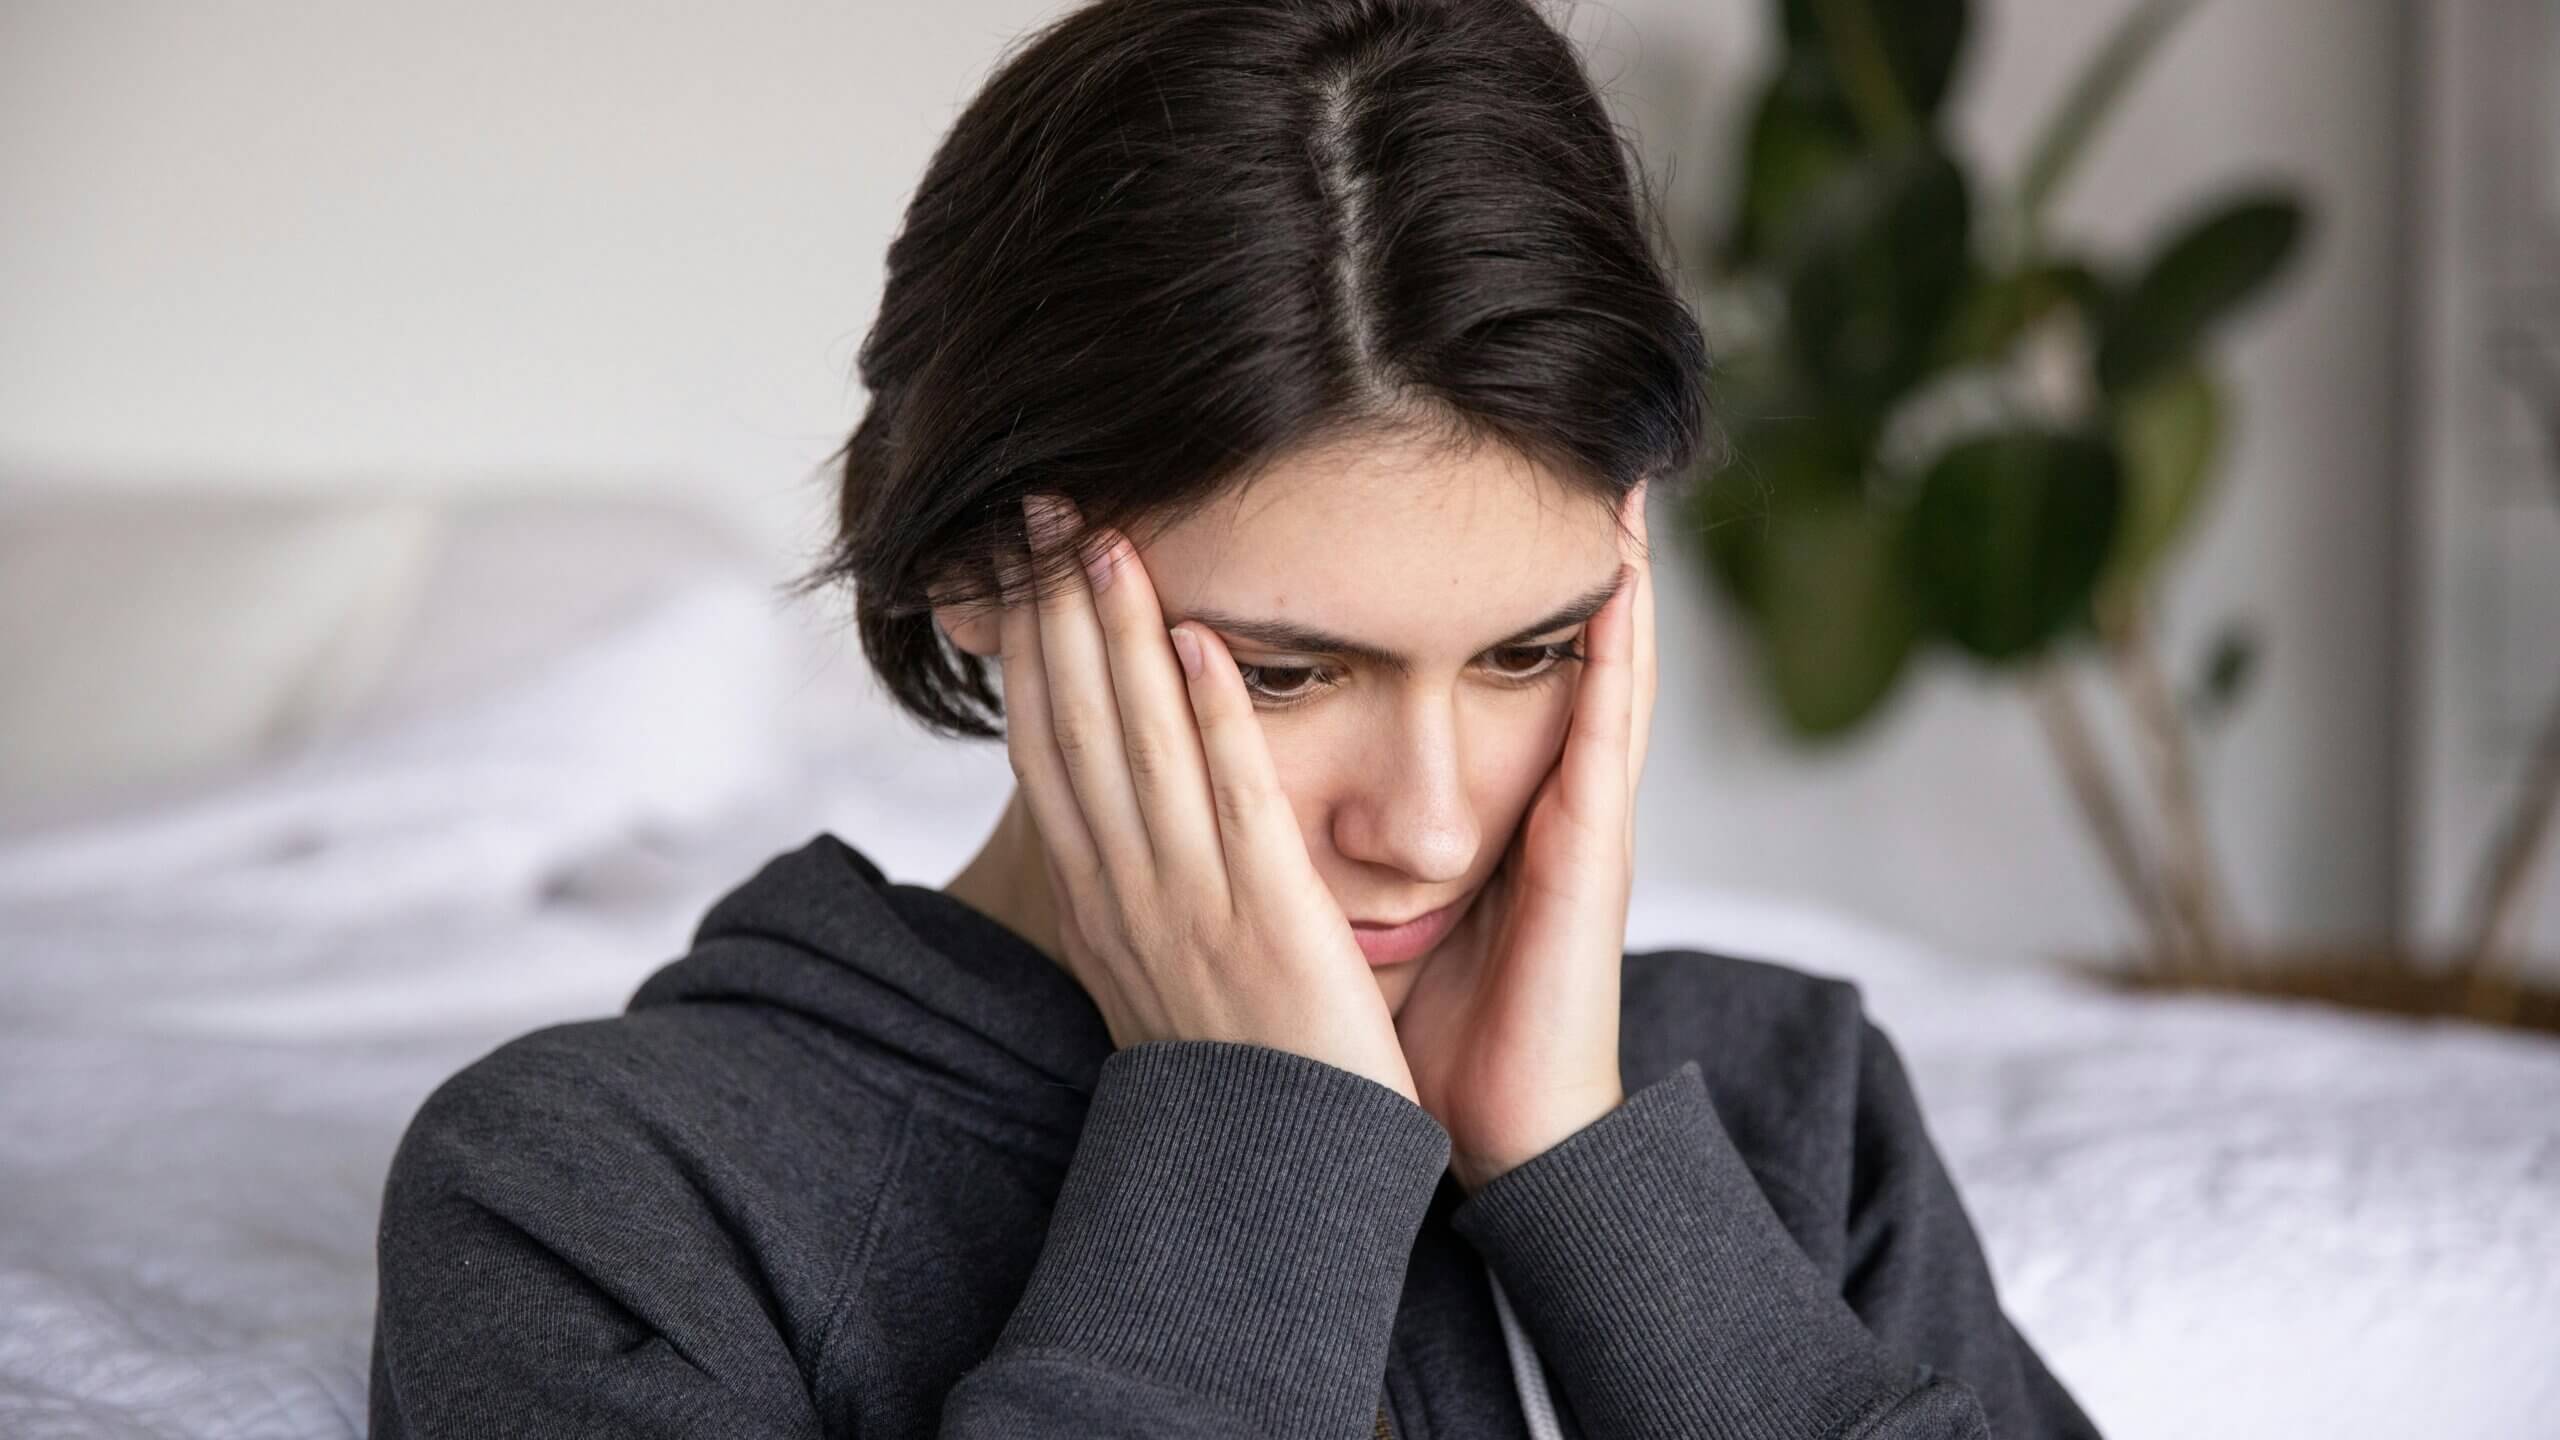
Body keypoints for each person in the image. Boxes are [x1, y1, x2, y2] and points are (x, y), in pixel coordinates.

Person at [366, 0, 2103, 1436]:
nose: (1427, 825)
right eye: (1286, 674)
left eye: (1528, 653)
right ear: (971, 566)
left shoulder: (1796, 1112)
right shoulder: (597, 1196)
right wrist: (1263, 1133)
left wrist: (1597, 1178)